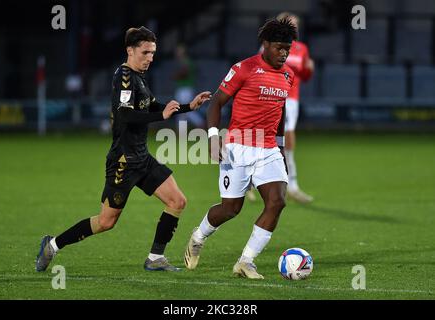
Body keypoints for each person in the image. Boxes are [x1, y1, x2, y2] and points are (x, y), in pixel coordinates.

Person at [36, 27, 211, 272]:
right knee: (106, 222)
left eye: (153, 53)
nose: (150, 57)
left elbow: (152, 106)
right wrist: (161, 114)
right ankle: (52, 245)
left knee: (177, 200)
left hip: (142, 157)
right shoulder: (124, 76)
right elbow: (126, 114)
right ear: (130, 50)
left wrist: (188, 107)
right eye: (145, 52)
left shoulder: (139, 77)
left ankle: (155, 258)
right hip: (123, 161)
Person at [184, 17, 297, 279]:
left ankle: (246, 261)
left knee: (277, 202)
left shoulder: (288, 75)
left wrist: (280, 147)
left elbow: (279, 114)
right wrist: (213, 137)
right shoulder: (244, 68)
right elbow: (216, 104)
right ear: (265, 44)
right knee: (231, 209)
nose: (284, 53)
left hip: (268, 148)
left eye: (287, 49)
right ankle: (199, 236)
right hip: (238, 147)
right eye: (279, 47)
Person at [246, 12, 314, 203]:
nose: (293, 28)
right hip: (271, 94)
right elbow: (258, 68)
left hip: (291, 98)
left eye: (295, 25)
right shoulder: (270, 45)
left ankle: (291, 184)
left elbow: (305, 76)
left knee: (287, 136)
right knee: (263, 135)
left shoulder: (301, 49)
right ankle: (249, 180)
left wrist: (309, 68)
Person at [172, 44, 204, 128]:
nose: (177, 53)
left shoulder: (185, 62)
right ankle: (182, 131)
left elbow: (184, 73)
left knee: (186, 110)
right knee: (182, 110)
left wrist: (176, 76)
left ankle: (201, 123)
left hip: (185, 89)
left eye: (179, 51)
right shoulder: (188, 62)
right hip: (186, 88)